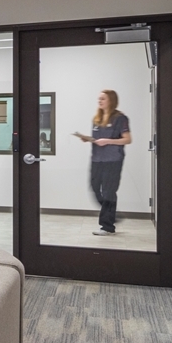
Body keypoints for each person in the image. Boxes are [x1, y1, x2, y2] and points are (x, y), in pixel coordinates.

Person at [73, 90, 131, 236]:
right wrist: (87, 139)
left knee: (108, 191)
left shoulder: (120, 118)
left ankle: (107, 226)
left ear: (111, 100)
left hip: (113, 160)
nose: (99, 101)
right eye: (98, 99)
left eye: (102, 99)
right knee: (94, 188)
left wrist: (108, 141)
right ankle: (112, 214)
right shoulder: (96, 119)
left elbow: (127, 139)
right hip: (97, 159)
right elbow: (97, 140)